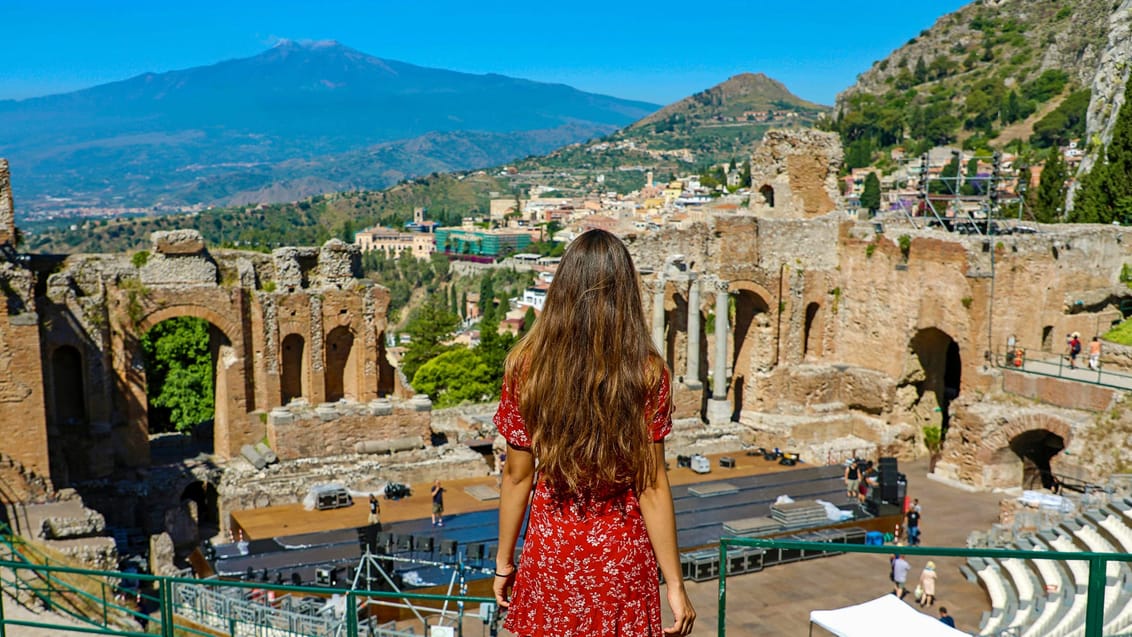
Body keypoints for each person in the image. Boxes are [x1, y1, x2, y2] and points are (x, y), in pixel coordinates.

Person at [492, 229, 696, 637]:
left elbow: (517, 477)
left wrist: (504, 563)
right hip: (621, 561)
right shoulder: (648, 373)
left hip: (551, 556)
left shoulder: (526, 368)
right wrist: (674, 584)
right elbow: (651, 484)